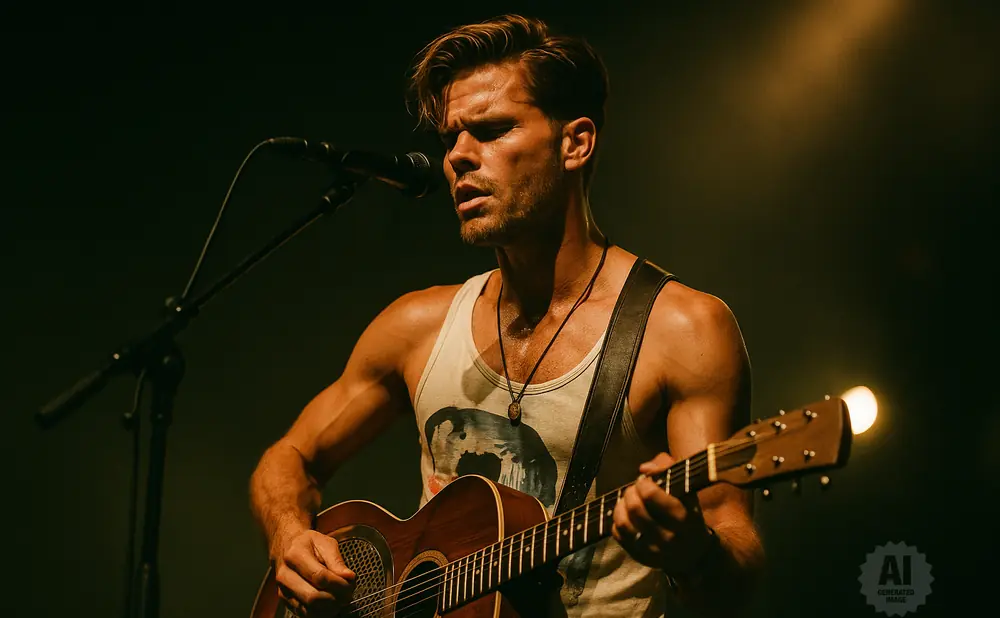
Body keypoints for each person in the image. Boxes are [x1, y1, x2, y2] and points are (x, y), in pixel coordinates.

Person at [249, 13, 764, 618]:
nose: (459, 158)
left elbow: (736, 560)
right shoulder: (416, 326)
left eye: (491, 131)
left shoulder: (681, 330)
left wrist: (693, 554)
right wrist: (289, 534)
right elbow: (289, 458)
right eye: (450, 139)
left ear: (576, 143)